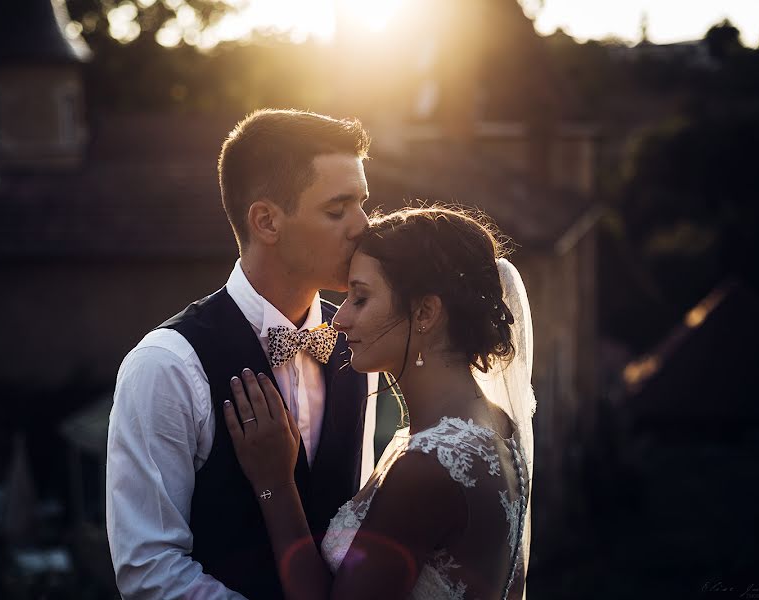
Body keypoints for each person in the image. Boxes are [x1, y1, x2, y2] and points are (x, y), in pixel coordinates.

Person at [106, 109, 379, 600]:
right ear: (267, 221)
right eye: (338, 210)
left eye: (363, 203)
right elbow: (148, 571)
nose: (364, 226)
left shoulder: (357, 345)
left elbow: (349, 528)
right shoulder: (165, 366)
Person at [224, 206, 536, 600]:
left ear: (424, 312)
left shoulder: (426, 468)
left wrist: (275, 486)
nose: (338, 320)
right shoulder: (495, 422)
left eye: (361, 298)